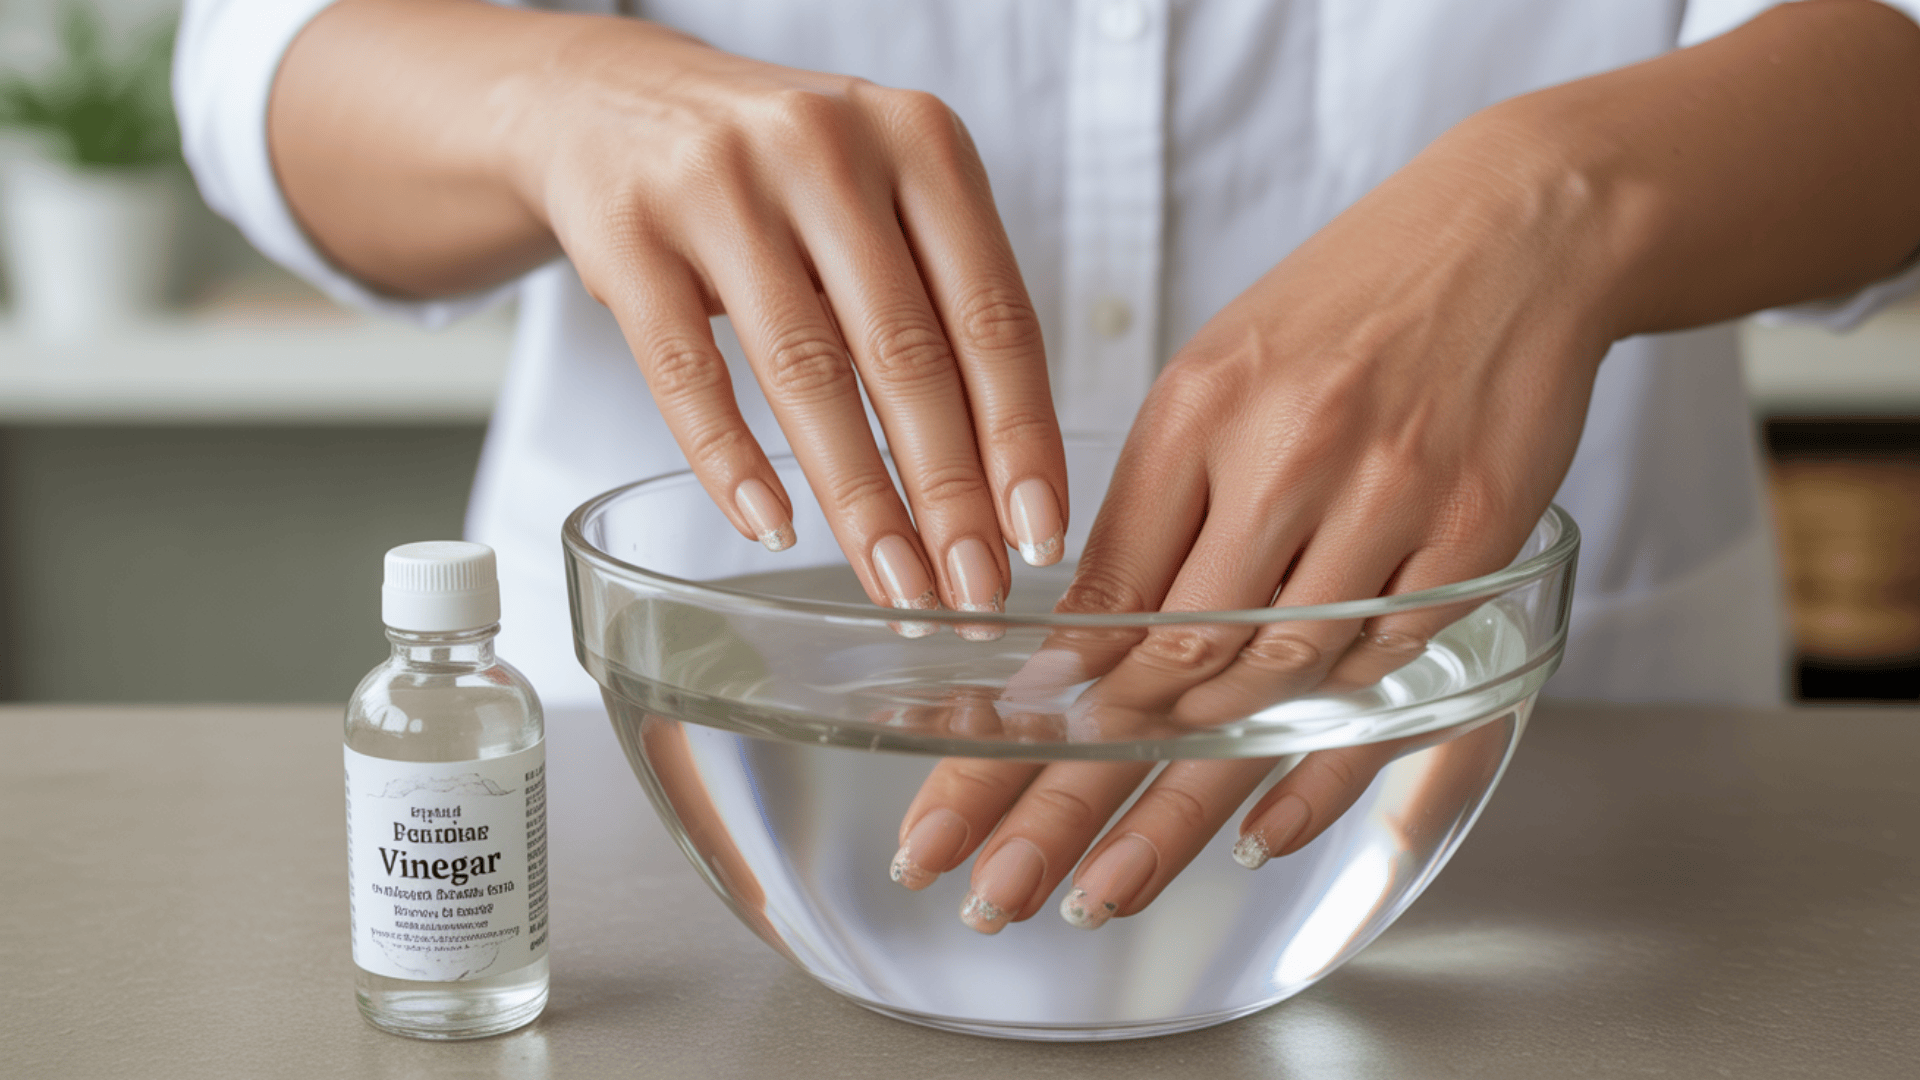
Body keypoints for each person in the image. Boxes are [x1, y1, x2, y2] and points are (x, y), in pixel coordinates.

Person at [178, 0, 1920, 934]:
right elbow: (258, 63)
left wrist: (1565, 196)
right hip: (669, 844)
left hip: (1531, 822)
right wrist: (554, 95)